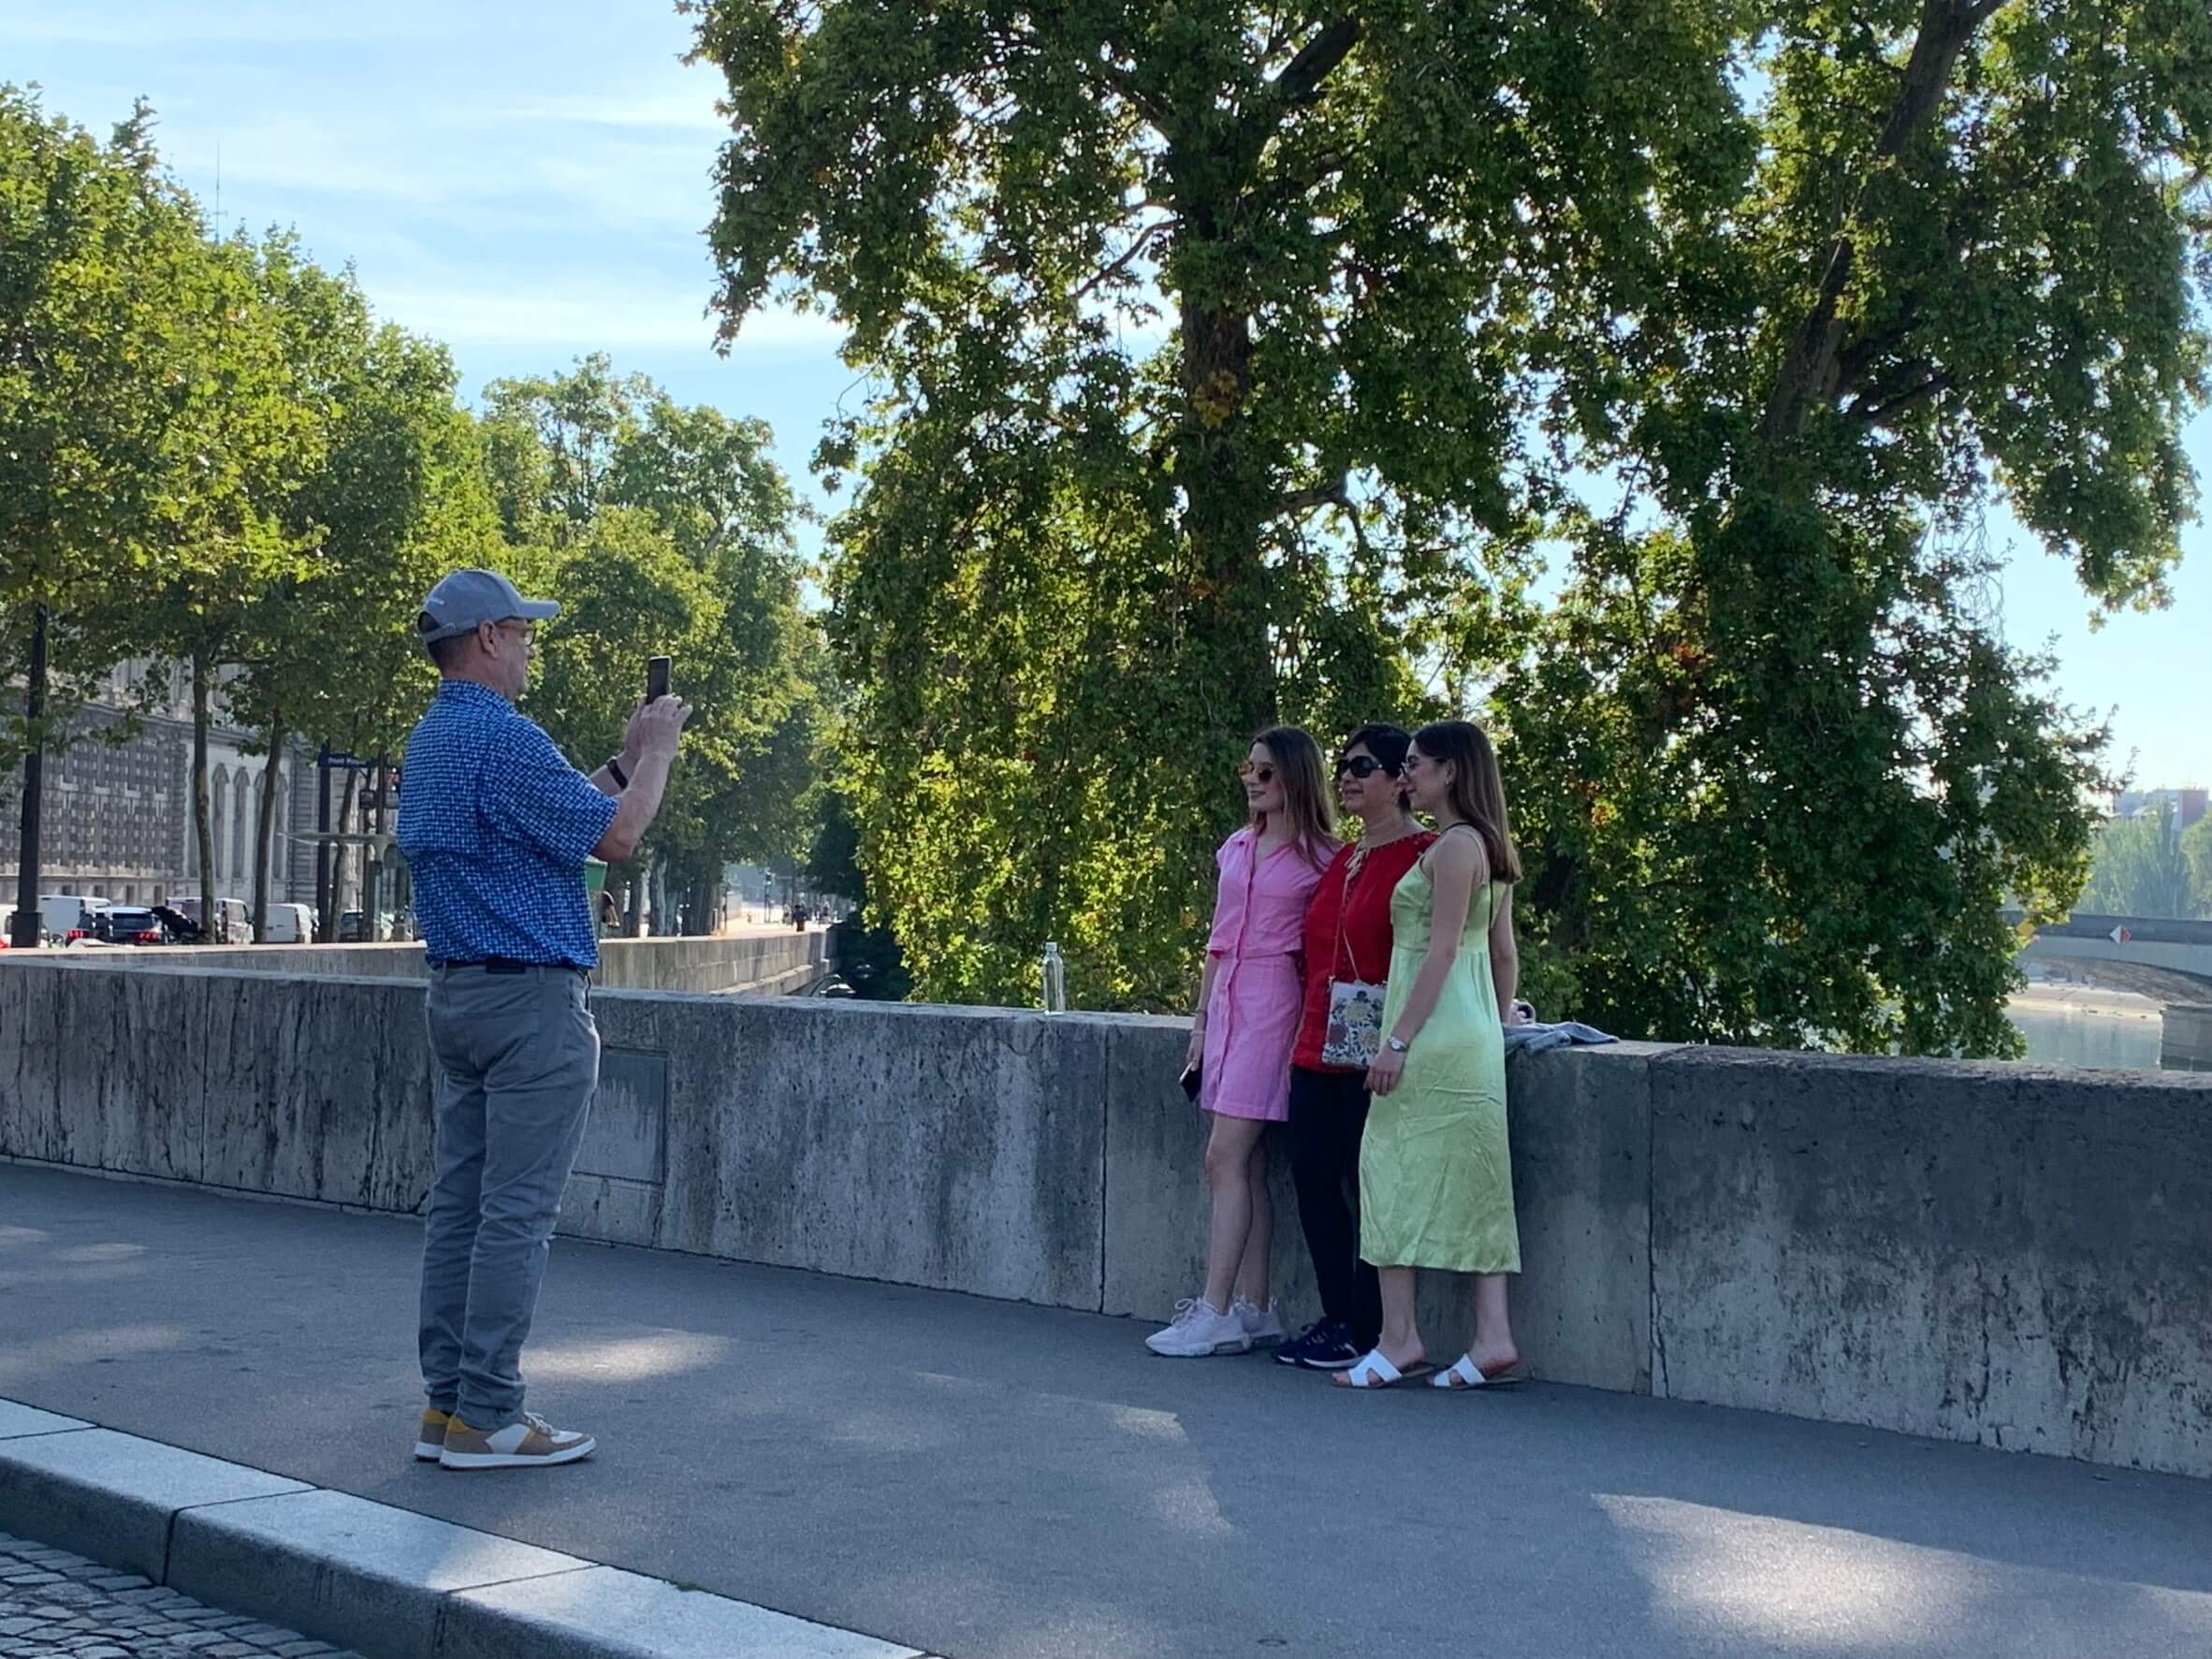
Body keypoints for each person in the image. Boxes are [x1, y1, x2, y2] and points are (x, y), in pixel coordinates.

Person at [397, 568, 690, 1468]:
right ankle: (491, 1412)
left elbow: (567, 809)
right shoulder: (506, 735)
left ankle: (447, 1407)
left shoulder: (437, 737)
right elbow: (617, 837)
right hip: (530, 1003)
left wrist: (622, 757)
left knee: (459, 1207)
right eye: (525, 631)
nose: (531, 648)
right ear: (487, 637)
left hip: (460, 996)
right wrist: (661, 755)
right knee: (517, 1212)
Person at [1334, 719, 1524, 1390]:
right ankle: (1493, 1334)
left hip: (1431, 1030)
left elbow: (1440, 952)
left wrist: (1397, 1041)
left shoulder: (1449, 850)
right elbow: (1502, 953)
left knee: (1386, 1168)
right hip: (1471, 1033)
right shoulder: (1491, 845)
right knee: (1478, 1178)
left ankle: (1399, 1336)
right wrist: (1497, 1024)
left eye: (1416, 763)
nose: (1405, 773)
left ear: (1450, 772)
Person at [1147, 727, 1336, 1358]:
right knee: (1248, 1163)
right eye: (1248, 770)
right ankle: (1256, 1308)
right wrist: (1200, 1022)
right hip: (1229, 999)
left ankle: (1215, 1306)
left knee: (1221, 1157)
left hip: (1277, 1000)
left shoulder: (1321, 858)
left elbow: (1327, 953)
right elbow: (1216, 940)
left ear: (1294, 778)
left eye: (1265, 771)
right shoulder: (1236, 847)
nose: (1253, 781)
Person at [1274, 724, 1433, 1371]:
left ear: (1401, 780)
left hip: (1379, 1053)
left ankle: (1370, 1326)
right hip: (1316, 1046)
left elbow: (1440, 950)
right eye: (1343, 766)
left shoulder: (1423, 857)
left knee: (1371, 1185)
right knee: (1311, 1175)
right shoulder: (1344, 857)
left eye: (1363, 766)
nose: (1347, 776)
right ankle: (1338, 1314)